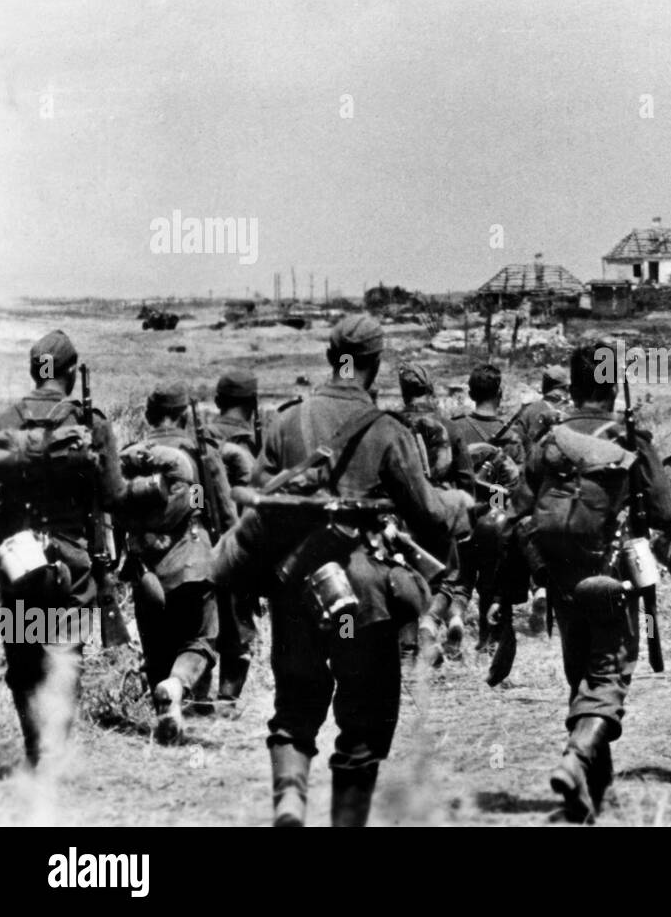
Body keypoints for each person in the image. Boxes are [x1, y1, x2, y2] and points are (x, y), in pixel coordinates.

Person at [213, 315, 469, 826]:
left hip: (298, 589)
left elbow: (262, 509)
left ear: (334, 358)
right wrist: (460, 504)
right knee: (363, 725)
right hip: (364, 600)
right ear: (374, 364)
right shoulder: (388, 431)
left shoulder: (286, 422)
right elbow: (429, 515)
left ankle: (289, 800)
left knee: (295, 709)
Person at [519, 342, 671, 823]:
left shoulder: (550, 437)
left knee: (581, 674)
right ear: (612, 385)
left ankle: (592, 793)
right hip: (612, 575)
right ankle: (574, 758)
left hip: (561, 574)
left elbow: (521, 505)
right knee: (609, 675)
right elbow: (667, 512)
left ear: (574, 384)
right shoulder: (629, 438)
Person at [0, 330, 125, 768]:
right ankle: (53, 752)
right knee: (63, 655)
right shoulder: (92, 423)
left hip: (17, 560)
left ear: (35, 371)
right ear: (70, 373)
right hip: (72, 563)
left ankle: (36, 749)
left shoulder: (5, 421)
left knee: (23, 653)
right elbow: (112, 496)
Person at [116, 381, 233, 743]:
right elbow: (218, 508)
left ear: (149, 415)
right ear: (184, 415)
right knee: (201, 640)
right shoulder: (197, 453)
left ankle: (166, 712)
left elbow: (116, 511)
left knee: (156, 648)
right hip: (192, 559)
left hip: (146, 568)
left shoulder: (132, 458)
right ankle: (179, 688)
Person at [393, 360, 473, 668]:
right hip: (440, 509)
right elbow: (466, 478)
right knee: (446, 578)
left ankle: (407, 648)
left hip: (399, 512)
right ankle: (429, 623)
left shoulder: (389, 425)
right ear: (430, 389)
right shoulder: (449, 426)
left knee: (399, 575)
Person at [195, 370, 262, 713]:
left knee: (202, 626)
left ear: (219, 402)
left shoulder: (200, 436)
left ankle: (198, 699)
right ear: (252, 404)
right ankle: (227, 701)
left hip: (197, 545)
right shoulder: (245, 445)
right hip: (236, 545)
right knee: (238, 627)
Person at [452, 363, 525, 653]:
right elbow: (517, 486)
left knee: (461, 579)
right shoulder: (512, 437)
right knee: (493, 585)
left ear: (470, 393)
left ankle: (456, 617)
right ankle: (489, 640)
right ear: (500, 394)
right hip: (496, 519)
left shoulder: (456, 429)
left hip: (463, 514)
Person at [517, 364, 571, 458]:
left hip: (534, 469)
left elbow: (517, 445)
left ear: (544, 387)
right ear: (566, 388)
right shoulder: (574, 411)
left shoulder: (528, 410)